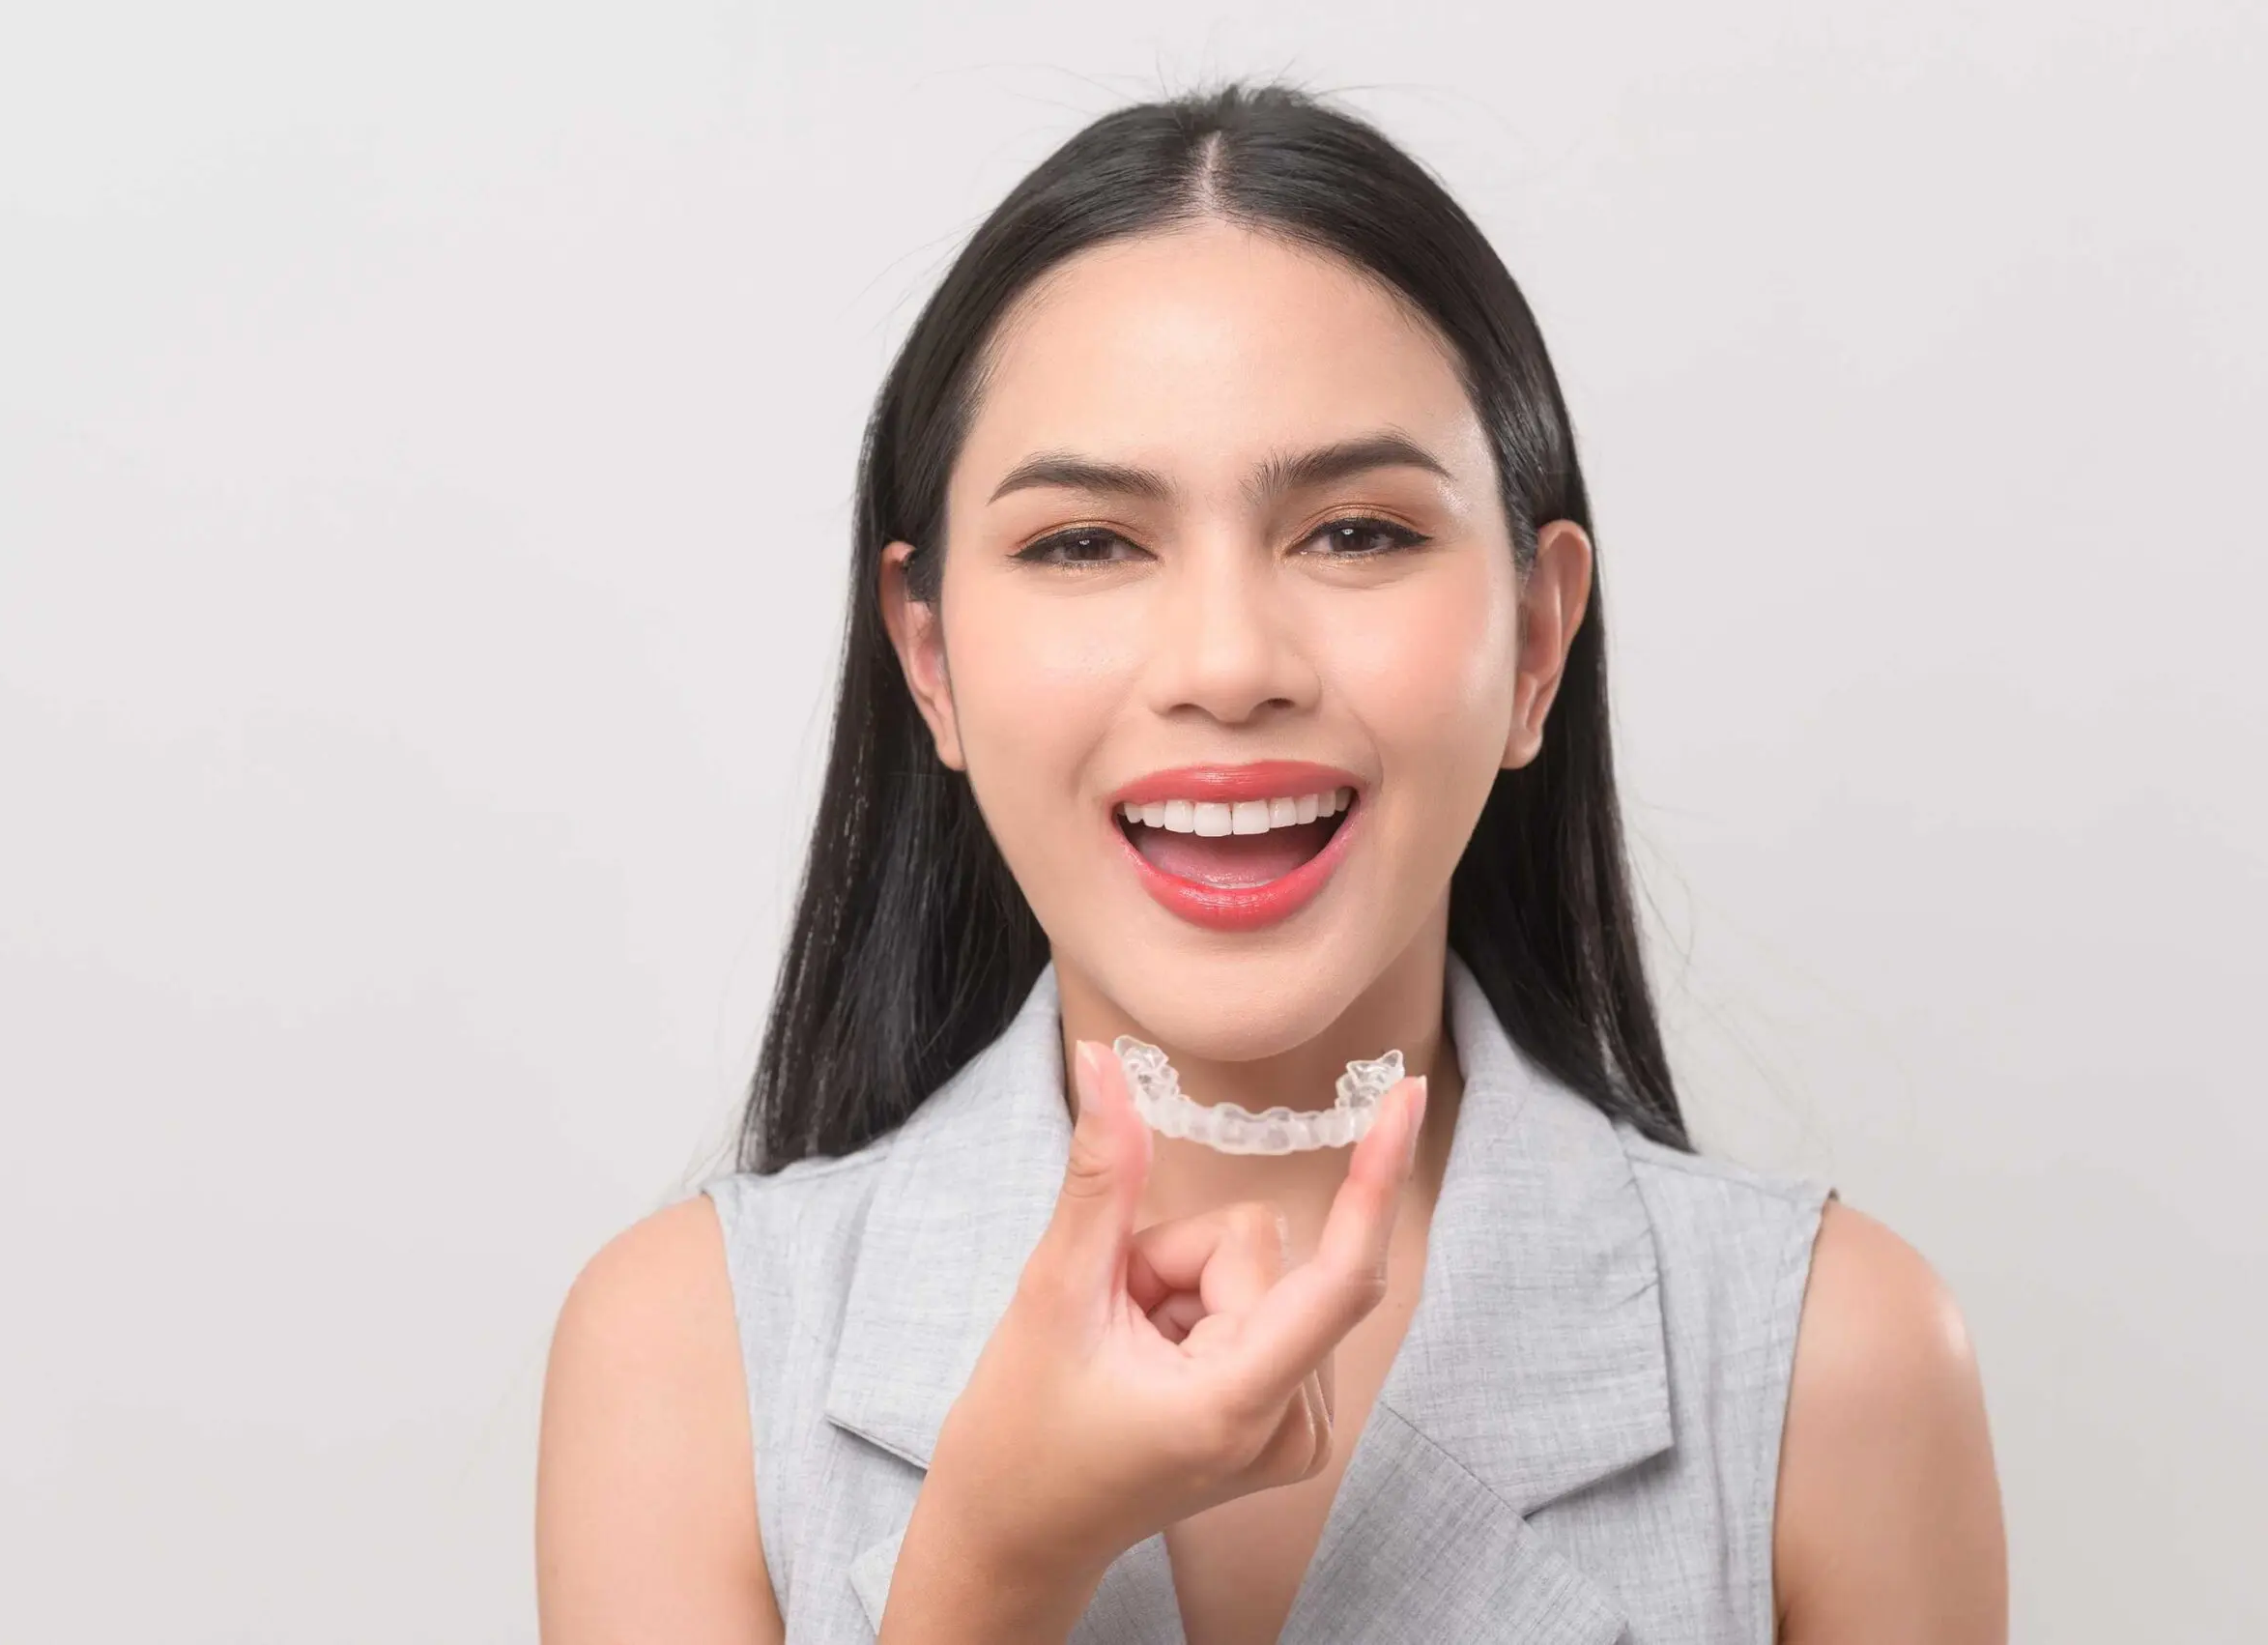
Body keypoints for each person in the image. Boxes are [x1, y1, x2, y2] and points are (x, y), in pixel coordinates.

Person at [535, 79, 2007, 1644]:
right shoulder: (688, 1354)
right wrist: (989, 1565)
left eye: (1357, 531)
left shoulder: (1833, 1364)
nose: (1229, 664)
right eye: (1085, 542)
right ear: (932, 660)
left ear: (1536, 638)